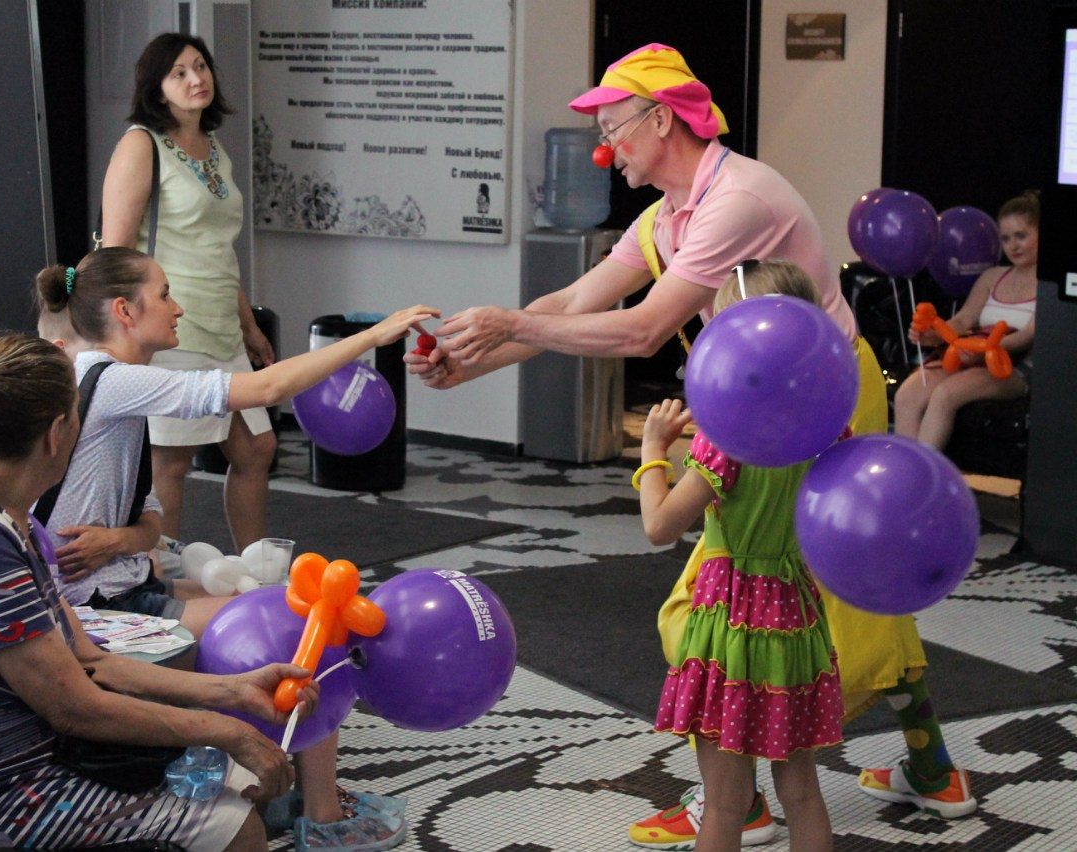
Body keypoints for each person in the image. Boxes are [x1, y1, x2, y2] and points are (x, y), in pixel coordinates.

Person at [406, 42, 975, 846]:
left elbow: (643, 330)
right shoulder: (667, 215)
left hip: (820, 392)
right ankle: (813, 778)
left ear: (662, 121)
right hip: (753, 395)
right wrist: (472, 360)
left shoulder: (736, 200)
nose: (606, 151)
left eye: (614, 130)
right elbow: (573, 301)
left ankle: (760, 788)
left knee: (849, 586)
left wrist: (507, 328)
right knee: (766, 599)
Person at [36, 246, 431, 850]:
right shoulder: (111, 380)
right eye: (164, 294)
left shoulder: (106, 381)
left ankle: (279, 783)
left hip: (124, 581)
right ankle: (323, 816)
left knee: (283, 600)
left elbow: (151, 521)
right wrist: (373, 337)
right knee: (302, 628)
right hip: (99, 609)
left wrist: (121, 537)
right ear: (124, 311)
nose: (178, 308)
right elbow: (266, 386)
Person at [0, 333, 317, 851]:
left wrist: (234, 691)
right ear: (57, 433)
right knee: (234, 827)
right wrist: (227, 731)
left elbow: (89, 661)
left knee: (225, 780)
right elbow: (75, 707)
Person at [640, 262, 840, 851]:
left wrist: (652, 451)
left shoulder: (727, 436)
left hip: (729, 620)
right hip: (795, 617)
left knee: (725, 803)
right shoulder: (827, 425)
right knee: (803, 793)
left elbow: (659, 526)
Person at [102, 32, 274, 552]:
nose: (196, 79)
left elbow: (216, 248)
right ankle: (159, 577)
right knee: (171, 464)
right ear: (156, 88)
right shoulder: (141, 144)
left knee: (256, 449)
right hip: (171, 328)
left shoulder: (215, 147)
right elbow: (116, 250)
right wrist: (126, 335)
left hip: (221, 324)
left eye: (200, 66)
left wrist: (248, 326)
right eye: (178, 72)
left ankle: (257, 571)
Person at [893, 191, 1038, 449]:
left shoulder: (1049, 287)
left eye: (1021, 236)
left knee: (945, 395)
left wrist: (983, 349)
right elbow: (961, 322)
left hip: (1013, 368)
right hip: (972, 356)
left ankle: (925, 471)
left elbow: (1028, 336)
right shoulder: (993, 276)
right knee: (908, 394)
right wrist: (935, 335)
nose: (1013, 246)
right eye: (1005, 238)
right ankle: (907, 467)